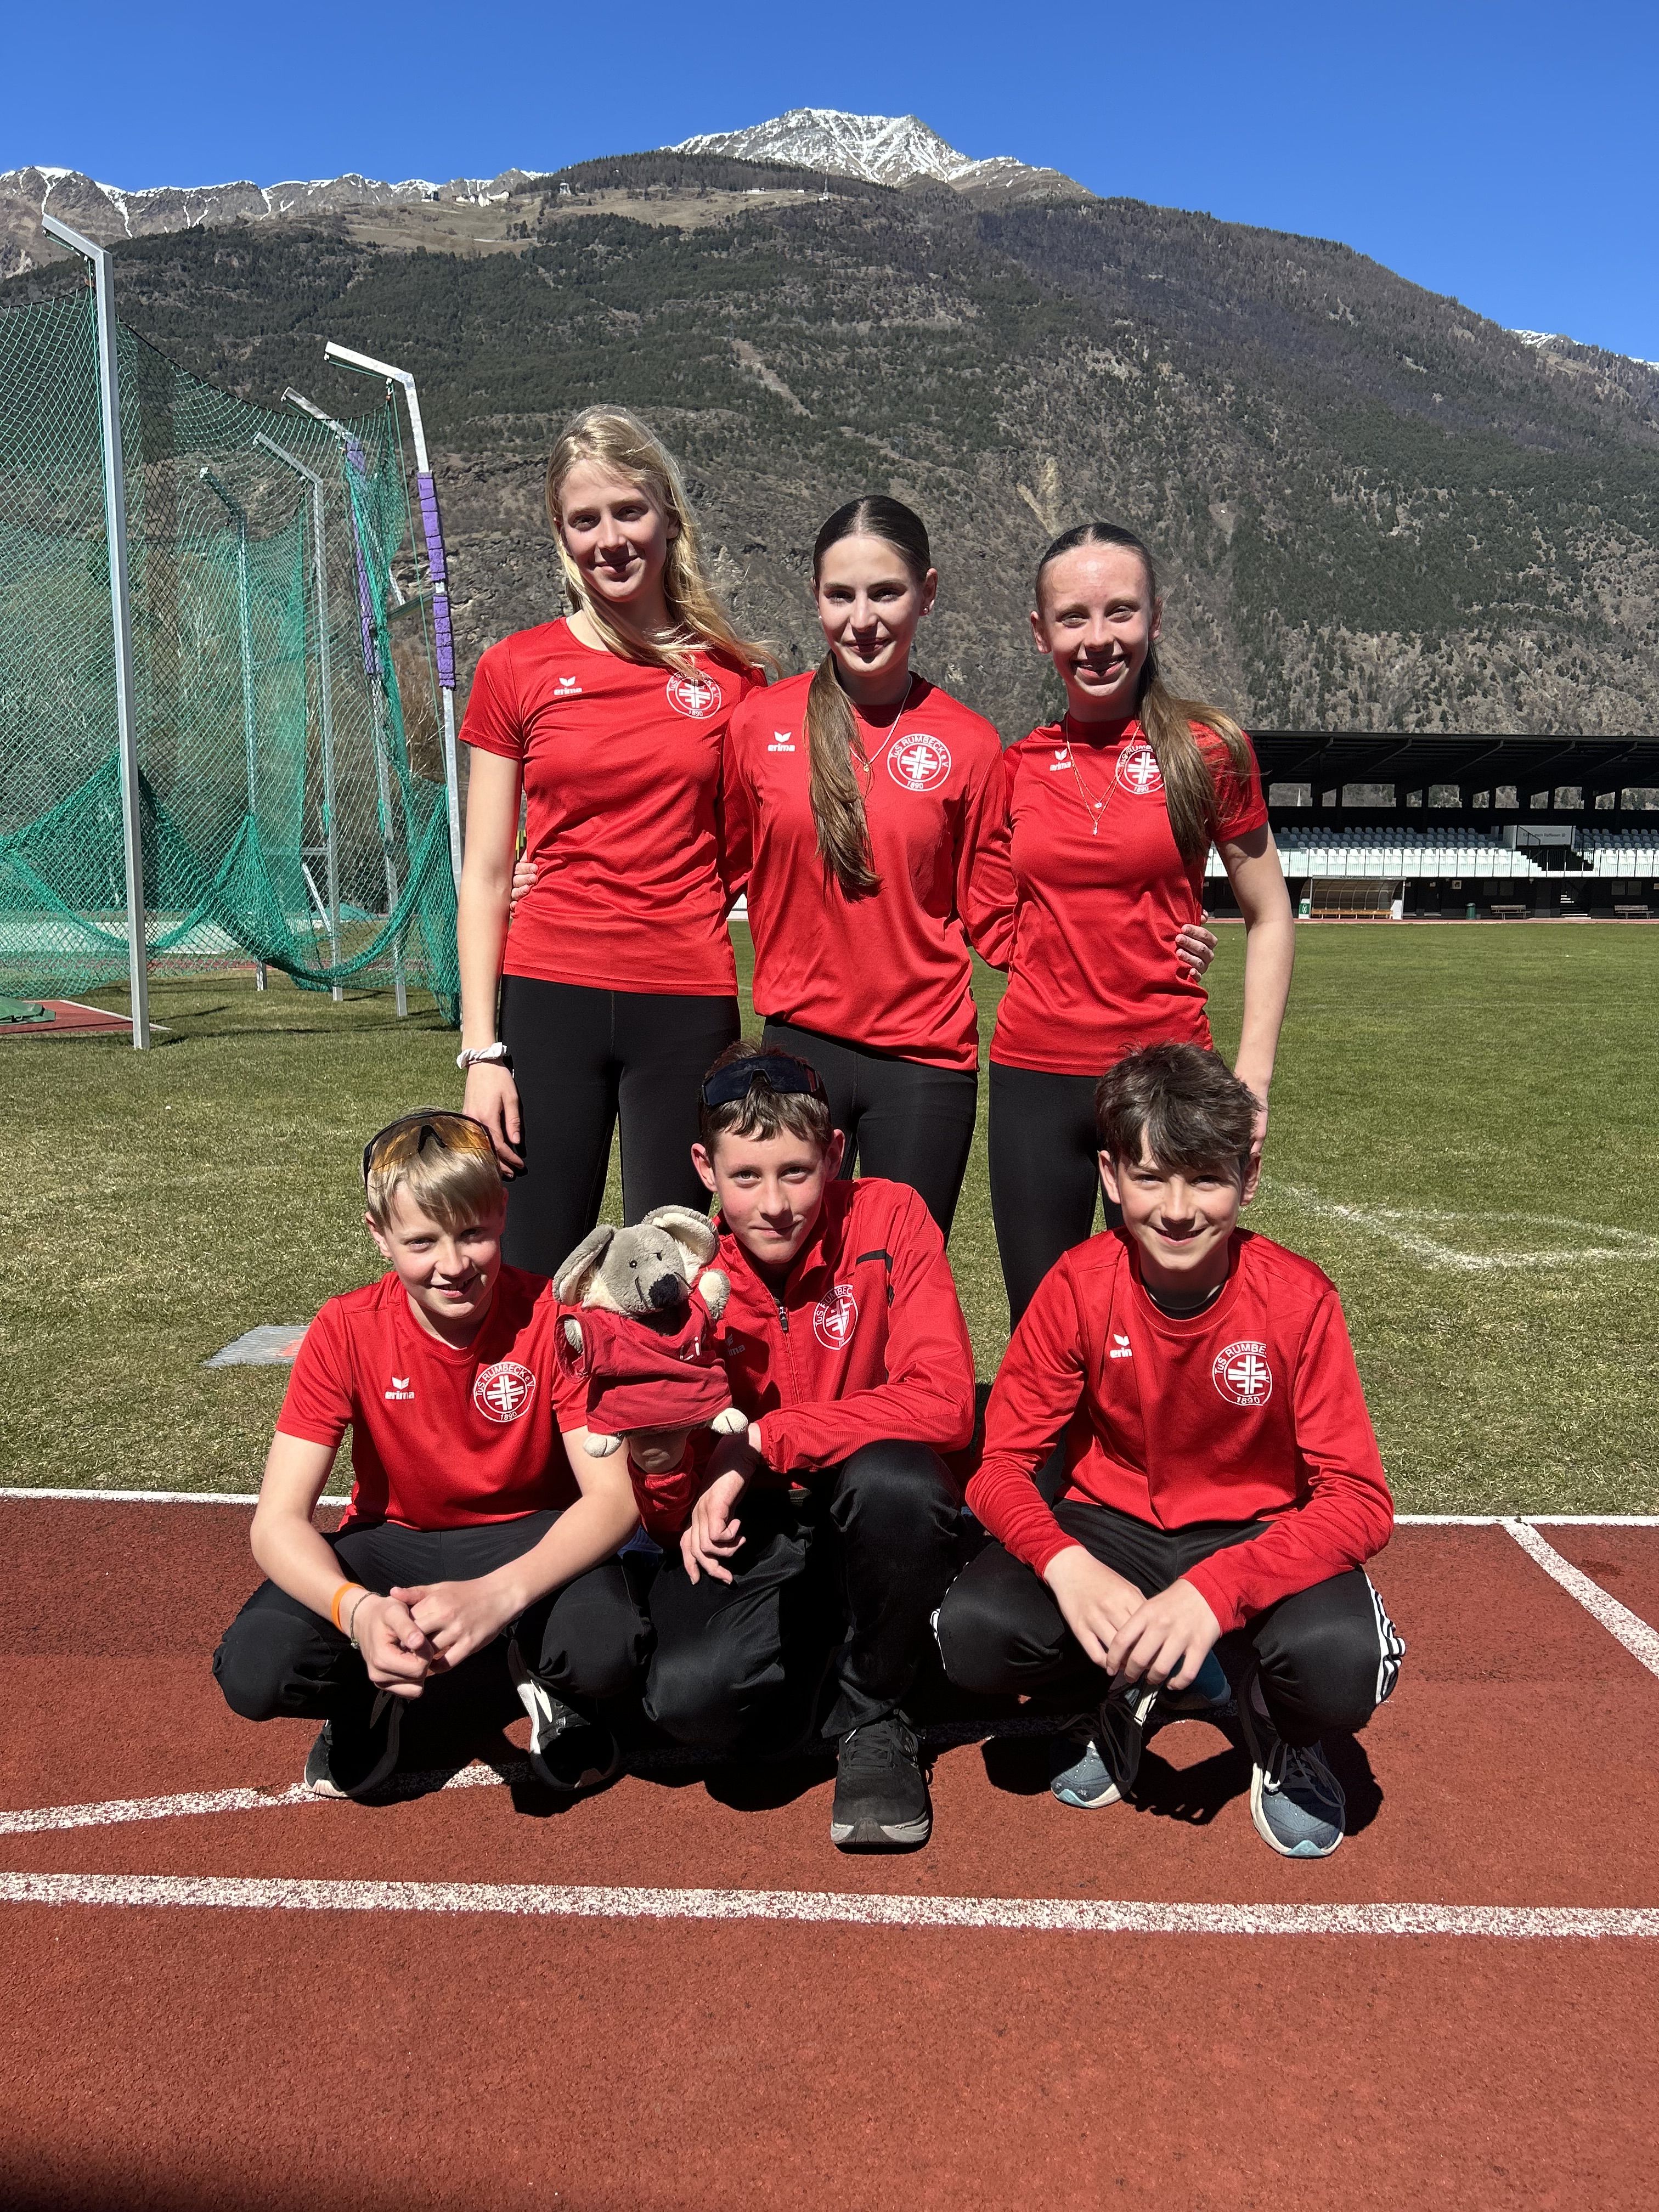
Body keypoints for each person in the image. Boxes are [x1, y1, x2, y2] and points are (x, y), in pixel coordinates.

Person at [936, 1044, 1403, 1859]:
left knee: (1343, 1667)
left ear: (1248, 1179)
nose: (1178, 1209)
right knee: (974, 1632)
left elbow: (1359, 1500)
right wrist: (1066, 1565)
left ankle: (1275, 1723)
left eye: (1206, 1179)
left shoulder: (1299, 1299)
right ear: (1111, 1177)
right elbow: (1001, 1469)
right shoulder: (1079, 1286)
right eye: (1151, 1179)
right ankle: (1118, 1691)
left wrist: (1216, 1591)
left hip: (1253, 1535)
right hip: (1111, 1531)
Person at [212, 1110, 648, 1800]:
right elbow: (277, 1522)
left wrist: (497, 1595)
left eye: (473, 1233)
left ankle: (544, 1674)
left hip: (528, 1530)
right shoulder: (343, 1328)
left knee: (606, 1649)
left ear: (502, 1212)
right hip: (393, 1543)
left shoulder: (554, 1318)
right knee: (261, 1668)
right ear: (378, 1235)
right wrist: (356, 1612)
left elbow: (614, 1497)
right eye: (422, 1241)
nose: (452, 1264)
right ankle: (369, 1692)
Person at [628, 1040, 976, 1852]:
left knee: (898, 1481)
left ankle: (876, 1715)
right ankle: (848, 1635)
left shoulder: (891, 1216)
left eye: (796, 1171)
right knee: (691, 1703)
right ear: (704, 1170)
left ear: (835, 1153)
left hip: (868, 1500)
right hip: (761, 1525)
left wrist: (768, 1438)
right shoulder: (672, 1274)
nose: (776, 1203)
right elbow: (669, 1512)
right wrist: (661, 1464)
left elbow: (950, 1406)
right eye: (746, 1177)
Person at [455, 403, 772, 1275]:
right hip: (548, 996)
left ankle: (658, 1418)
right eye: (584, 520)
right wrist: (482, 1050)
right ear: (560, 534)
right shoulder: (515, 668)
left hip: (684, 998)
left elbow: (753, 851)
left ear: (669, 516)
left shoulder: (735, 680)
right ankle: (536, 1419)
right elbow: (483, 872)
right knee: (529, 1265)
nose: (611, 539)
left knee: (671, 1268)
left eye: (629, 512)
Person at [969, 522, 1295, 1328]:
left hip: (1167, 1074)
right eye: (1073, 617)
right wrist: (1054, 948)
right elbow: (987, 909)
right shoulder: (1016, 767)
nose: (1098, 639)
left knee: (1168, 1315)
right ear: (1038, 630)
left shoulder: (1207, 749)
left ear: (1156, 617)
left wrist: (1251, 1080)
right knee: (1043, 1322)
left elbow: (1271, 913)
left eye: (1121, 611)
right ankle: (1047, 1463)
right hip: (1033, 1075)